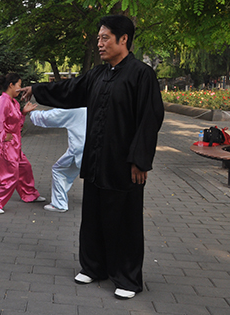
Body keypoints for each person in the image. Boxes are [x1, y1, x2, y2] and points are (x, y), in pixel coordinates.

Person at [24, 15, 164, 299]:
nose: (99, 44)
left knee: (124, 220)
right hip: (97, 158)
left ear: (123, 39)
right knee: (94, 215)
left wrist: (140, 159)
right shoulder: (98, 75)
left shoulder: (141, 74)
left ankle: (126, 278)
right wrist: (36, 89)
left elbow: (150, 118)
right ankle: (93, 266)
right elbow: (69, 90)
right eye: (98, 38)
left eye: (105, 38)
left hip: (125, 163)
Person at [0, 73, 44, 214]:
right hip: (5, 146)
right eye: (19, 85)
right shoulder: (3, 102)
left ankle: (29, 194)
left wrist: (23, 112)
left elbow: (16, 123)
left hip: (14, 145)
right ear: (11, 85)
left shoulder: (13, 102)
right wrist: (3, 136)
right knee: (10, 176)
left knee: (25, 168)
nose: (20, 88)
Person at [29, 107, 87, 212]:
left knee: (59, 170)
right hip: (99, 148)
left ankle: (59, 204)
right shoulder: (93, 102)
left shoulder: (74, 108)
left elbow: (51, 117)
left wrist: (32, 113)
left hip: (80, 148)